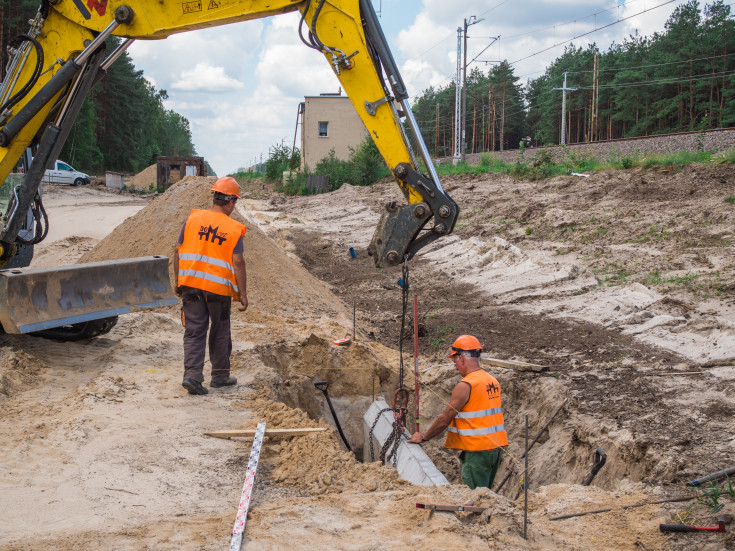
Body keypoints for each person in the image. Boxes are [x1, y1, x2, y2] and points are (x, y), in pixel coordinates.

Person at [173, 177, 248, 395]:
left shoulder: (192, 219)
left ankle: (192, 376)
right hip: (218, 290)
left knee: (194, 331)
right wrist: (243, 293)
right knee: (220, 329)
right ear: (231, 202)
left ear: (215, 197)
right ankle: (220, 376)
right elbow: (238, 262)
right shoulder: (233, 228)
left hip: (191, 285)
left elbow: (178, 251)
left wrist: (178, 280)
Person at [407, 335, 508, 489]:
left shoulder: (466, 384)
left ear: (461, 358)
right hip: (494, 450)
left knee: (475, 497)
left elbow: (444, 419)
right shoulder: (491, 380)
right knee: (486, 492)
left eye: (455, 361)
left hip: (477, 452)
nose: (455, 366)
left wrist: (423, 437)